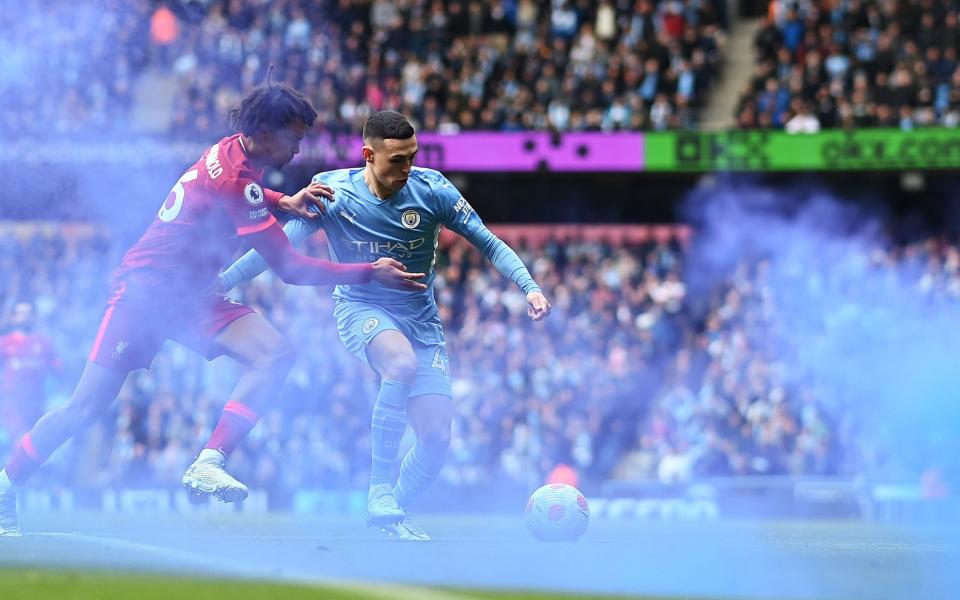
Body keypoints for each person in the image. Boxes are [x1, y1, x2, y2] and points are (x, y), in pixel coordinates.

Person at [0, 87, 425, 537]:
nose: (299, 148)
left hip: (188, 297)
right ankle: (6, 485)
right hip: (144, 296)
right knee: (84, 406)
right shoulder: (237, 180)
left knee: (276, 353)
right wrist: (369, 272)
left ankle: (209, 461)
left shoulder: (231, 153)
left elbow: (244, 193)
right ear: (264, 132)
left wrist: (285, 202)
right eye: (294, 137)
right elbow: (290, 269)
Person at [218, 111, 551, 540]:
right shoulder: (333, 191)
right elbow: (275, 250)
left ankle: (394, 512)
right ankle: (378, 492)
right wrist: (225, 281)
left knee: (436, 439)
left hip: (421, 321)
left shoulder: (433, 191)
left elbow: (487, 241)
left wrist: (529, 286)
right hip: (361, 308)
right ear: (368, 155)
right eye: (396, 160)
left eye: (412, 157)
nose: (406, 168)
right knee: (401, 365)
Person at [0, 302, 62, 442]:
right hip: (11, 404)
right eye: (20, 314)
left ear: (34, 317)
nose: (24, 317)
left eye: (28, 314)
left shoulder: (43, 343)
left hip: (36, 403)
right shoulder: (4, 343)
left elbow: (57, 369)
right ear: (13, 317)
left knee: (32, 443)